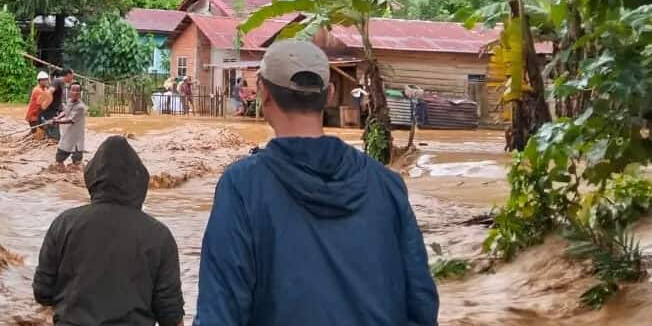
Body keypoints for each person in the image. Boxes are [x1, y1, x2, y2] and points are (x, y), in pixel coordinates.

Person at [195, 40, 438, 326]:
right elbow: (421, 303)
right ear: (330, 94)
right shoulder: (386, 184)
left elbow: (220, 311)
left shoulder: (242, 186)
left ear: (263, 92)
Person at [34, 135, 185, 326]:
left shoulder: (64, 224)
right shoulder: (159, 236)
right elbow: (170, 315)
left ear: (92, 179)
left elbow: (42, 292)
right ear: (139, 181)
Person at [50, 83, 87, 166]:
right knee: (58, 160)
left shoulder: (81, 107)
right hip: (67, 135)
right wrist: (58, 117)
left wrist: (57, 121)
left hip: (76, 138)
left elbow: (70, 120)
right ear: (69, 91)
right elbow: (65, 111)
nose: (75, 92)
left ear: (80, 92)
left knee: (77, 163)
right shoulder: (69, 101)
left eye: (77, 90)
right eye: (73, 90)